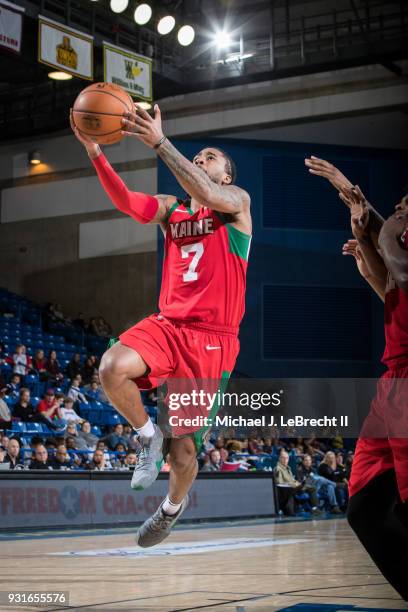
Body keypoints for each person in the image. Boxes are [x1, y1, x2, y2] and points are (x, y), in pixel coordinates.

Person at [71, 101, 252, 548]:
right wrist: (95, 150)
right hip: (168, 325)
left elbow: (208, 195)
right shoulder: (172, 212)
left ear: (226, 175)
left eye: (210, 158)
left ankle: (172, 507)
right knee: (112, 366)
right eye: (198, 157)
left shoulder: (234, 205)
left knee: (185, 449)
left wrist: (159, 142)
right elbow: (127, 202)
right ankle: (146, 438)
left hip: (211, 341)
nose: (200, 160)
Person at [306, 156, 408, 601]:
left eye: (404, 205)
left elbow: (395, 259)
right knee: (365, 506)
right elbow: (388, 281)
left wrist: (368, 216)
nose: (401, 208)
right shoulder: (398, 254)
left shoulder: (399, 238)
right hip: (392, 385)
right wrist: (363, 231)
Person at [274, 450, 321, 516]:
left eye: (287, 458)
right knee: (311, 488)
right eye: (283, 458)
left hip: (296, 487)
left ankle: (314, 508)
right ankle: (314, 508)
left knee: (312, 486)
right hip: (289, 490)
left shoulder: (288, 468)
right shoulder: (278, 469)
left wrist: (298, 483)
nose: (285, 460)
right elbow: (280, 483)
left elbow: (292, 480)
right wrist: (294, 485)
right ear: (279, 458)